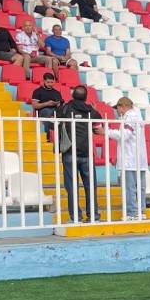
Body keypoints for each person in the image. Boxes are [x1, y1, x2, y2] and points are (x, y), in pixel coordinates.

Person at [56, 85, 101, 223]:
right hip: (87, 153)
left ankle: (76, 217)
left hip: (70, 152)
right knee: (90, 186)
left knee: (72, 186)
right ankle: (93, 216)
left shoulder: (65, 108)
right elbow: (98, 124)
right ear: (86, 97)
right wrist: (94, 109)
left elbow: (54, 121)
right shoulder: (90, 111)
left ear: (73, 95)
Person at [102, 97, 150, 220]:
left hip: (130, 159)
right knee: (140, 187)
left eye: (117, 108)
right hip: (139, 159)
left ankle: (132, 213)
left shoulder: (130, 117)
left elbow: (125, 135)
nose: (117, 111)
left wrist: (106, 131)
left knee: (130, 187)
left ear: (122, 106)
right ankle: (141, 211)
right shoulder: (137, 115)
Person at [30, 72, 63, 136]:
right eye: (48, 82)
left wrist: (58, 104)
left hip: (56, 111)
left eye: (52, 82)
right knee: (47, 111)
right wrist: (47, 104)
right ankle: (48, 135)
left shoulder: (57, 93)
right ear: (44, 81)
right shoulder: (37, 91)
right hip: (43, 111)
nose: (50, 84)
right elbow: (34, 105)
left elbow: (60, 105)